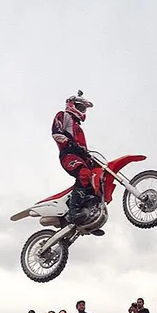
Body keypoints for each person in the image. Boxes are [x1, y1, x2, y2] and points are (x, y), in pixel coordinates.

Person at [51, 90, 102, 227]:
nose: (82, 111)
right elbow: (56, 132)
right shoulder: (64, 116)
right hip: (68, 154)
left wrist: (89, 157)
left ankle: (89, 216)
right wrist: (69, 142)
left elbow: (83, 148)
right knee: (84, 174)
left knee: (95, 181)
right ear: (72, 104)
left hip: (80, 157)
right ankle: (74, 212)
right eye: (80, 107)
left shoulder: (78, 127)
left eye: (84, 109)